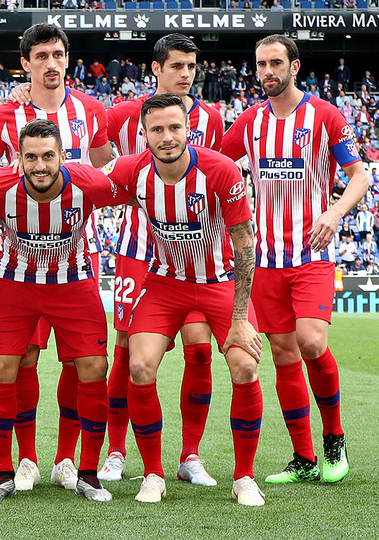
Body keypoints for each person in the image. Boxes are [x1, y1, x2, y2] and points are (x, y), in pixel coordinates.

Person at [0, 23, 111, 493]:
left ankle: (66, 460)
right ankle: (24, 459)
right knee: (21, 359)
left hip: (75, 262)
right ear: (25, 63)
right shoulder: (1, 119)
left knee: (80, 364)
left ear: (67, 58)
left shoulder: (90, 111)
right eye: (41, 56)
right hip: (19, 266)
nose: (51, 63)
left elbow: (107, 169)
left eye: (58, 54)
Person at [0, 119, 118, 502]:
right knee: (1, 369)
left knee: (93, 368)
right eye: (31, 157)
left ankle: (88, 473)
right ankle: (3, 473)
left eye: (47, 156)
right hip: (15, 285)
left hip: (74, 284)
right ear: (19, 159)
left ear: (62, 156)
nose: (39, 165)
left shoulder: (87, 181)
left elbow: (135, 191)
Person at [107, 93, 265, 506]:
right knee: (139, 366)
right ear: (143, 135)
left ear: (188, 129)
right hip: (165, 281)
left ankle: (244, 477)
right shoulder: (130, 170)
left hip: (219, 280)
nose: (167, 136)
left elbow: (245, 245)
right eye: (156, 129)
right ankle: (154, 474)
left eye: (174, 127)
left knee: (245, 365)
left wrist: (240, 318)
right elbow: (83, 179)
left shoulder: (221, 170)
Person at [222, 35, 367, 485]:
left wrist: (335, 210)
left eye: (275, 63)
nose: (267, 71)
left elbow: (359, 174)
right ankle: (303, 458)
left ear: (295, 66)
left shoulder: (324, 116)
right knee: (283, 355)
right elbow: (212, 163)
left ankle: (334, 439)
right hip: (263, 261)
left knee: (311, 342)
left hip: (311, 255)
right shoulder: (248, 121)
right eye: (261, 64)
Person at [99, 33, 224, 486]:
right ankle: (116, 450)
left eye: (191, 65)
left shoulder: (210, 116)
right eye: (176, 65)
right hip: (138, 251)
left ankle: (190, 455)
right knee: (126, 350)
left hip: (195, 254)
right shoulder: (124, 112)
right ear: (156, 69)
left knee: (199, 348)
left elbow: (216, 176)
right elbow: (88, 133)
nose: (186, 73)